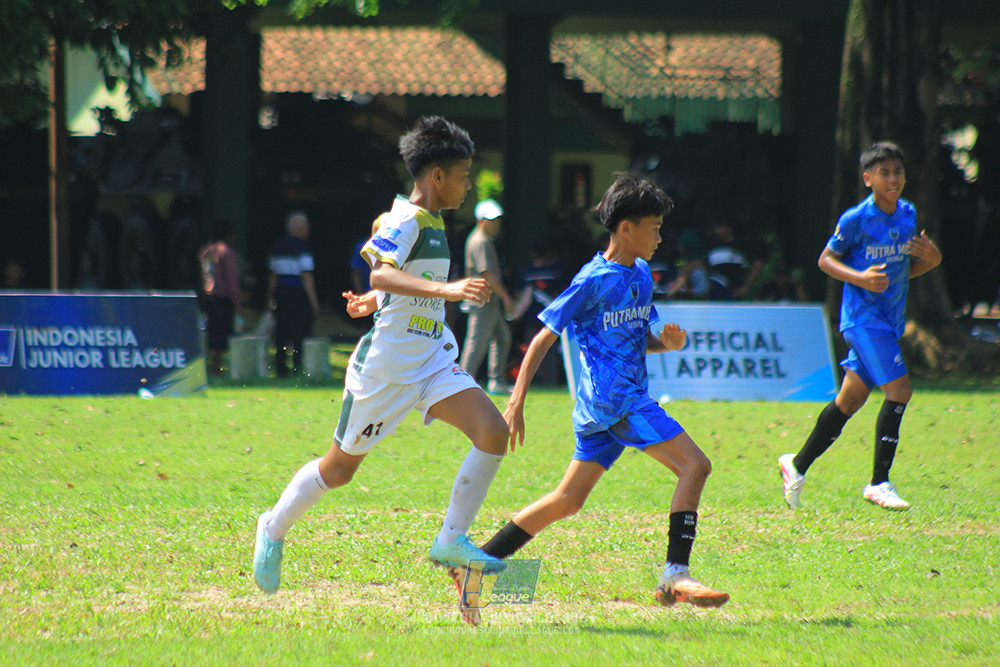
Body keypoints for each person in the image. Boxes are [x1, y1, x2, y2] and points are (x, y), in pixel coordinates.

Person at [453, 173, 729, 625]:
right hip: (618, 403)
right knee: (695, 466)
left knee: (567, 500)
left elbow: (636, 339)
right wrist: (516, 401)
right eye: (654, 228)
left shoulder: (641, 274)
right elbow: (543, 337)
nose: (660, 237)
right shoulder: (593, 279)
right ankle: (675, 575)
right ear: (626, 228)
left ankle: (476, 564)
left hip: (601, 409)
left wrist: (667, 343)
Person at [253, 116, 509, 599]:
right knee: (339, 470)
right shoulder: (404, 219)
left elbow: (394, 284)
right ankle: (273, 526)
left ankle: (451, 540)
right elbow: (381, 274)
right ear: (437, 176)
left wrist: (378, 302)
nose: (468, 185)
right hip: (385, 370)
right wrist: (446, 289)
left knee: (493, 431)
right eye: (463, 176)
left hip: (431, 360)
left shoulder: (434, 222)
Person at [779, 142, 942, 511]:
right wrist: (859, 277)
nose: (892, 179)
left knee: (850, 400)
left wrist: (933, 260)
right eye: (884, 173)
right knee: (900, 391)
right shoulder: (856, 219)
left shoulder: (908, 214)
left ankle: (796, 465)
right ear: (867, 178)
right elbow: (825, 260)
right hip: (863, 321)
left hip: (889, 320)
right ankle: (879, 483)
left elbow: (902, 271)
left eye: (897, 172)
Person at [459, 198, 514, 395]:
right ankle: (462, 384)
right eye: (492, 220)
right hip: (482, 302)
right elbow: (487, 274)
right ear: (481, 220)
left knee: (502, 338)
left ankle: (497, 382)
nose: (496, 224)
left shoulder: (482, 240)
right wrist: (506, 297)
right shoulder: (480, 241)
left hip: (488, 302)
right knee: (476, 345)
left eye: (498, 220)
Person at [267, 211, 321, 377]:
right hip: (298, 295)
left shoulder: (278, 246)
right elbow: (306, 276)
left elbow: (273, 275)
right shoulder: (303, 248)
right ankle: (298, 367)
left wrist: (270, 297)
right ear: (300, 229)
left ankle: (280, 369)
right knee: (299, 332)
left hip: (280, 294)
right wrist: (314, 302)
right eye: (306, 227)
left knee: (281, 332)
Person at [199, 219, 242, 375]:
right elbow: (231, 278)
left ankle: (213, 366)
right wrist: (237, 302)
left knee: (212, 333)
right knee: (223, 335)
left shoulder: (205, 251)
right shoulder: (227, 252)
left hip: (208, 297)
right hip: (223, 299)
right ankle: (219, 368)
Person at [706, 221, 763, 300]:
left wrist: (746, 286)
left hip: (733, 292)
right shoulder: (711, 246)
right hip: (713, 292)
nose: (717, 232)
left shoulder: (741, 245)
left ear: (729, 228)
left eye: (720, 228)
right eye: (715, 229)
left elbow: (757, 263)